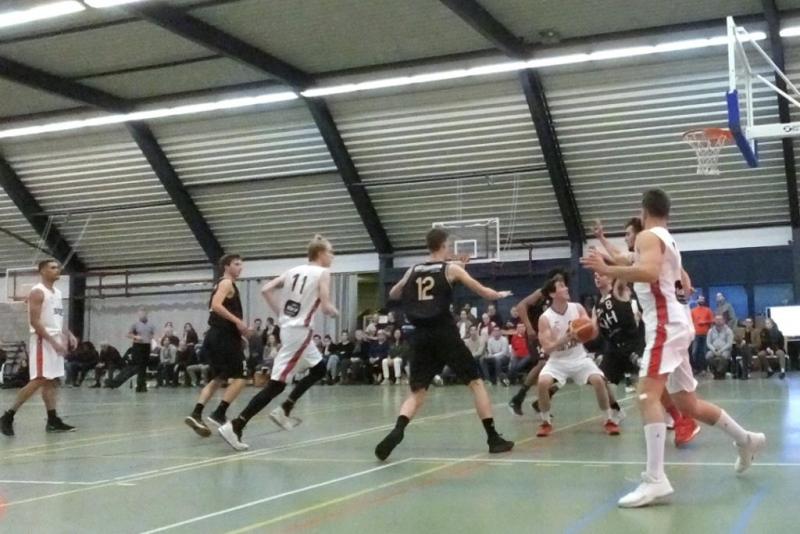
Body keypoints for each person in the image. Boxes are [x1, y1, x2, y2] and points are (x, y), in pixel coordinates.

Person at [582, 189, 765, 508]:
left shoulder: (647, 237)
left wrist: (608, 270)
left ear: (643, 211)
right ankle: (746, 439)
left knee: (646, 395)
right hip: (678, 326)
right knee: (688, 404)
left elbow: (648, 272)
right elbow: (630, 261)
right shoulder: (664, 239)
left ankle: (655, 480)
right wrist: (606, 256)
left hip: (666, 326)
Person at [374, 228, 514, 460]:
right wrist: (499, 295)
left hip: (420, 336)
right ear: (444, 245)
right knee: (476, 383)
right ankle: (493, 438)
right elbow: (483, 291)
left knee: (417, 391)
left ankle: (398, 429)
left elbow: (394, 293)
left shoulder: (412, 270)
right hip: (444, 333)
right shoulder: (450, 269)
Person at [219, 235, 339, 450]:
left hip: (290, 329)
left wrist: (282, 315)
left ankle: (285, 408)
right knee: (276, 385)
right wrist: (335, 312)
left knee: (319, 369)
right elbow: (326, 306)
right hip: (299, 332)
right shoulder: (323, 273)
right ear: (320, 253)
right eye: (331, 252)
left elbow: (266, 289)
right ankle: (236, 425)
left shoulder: (293, 270)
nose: (333, 256)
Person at [534, 276, 620, 438]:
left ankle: (609, 420)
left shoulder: (577, 308)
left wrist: (591, 324)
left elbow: (592, 334)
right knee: (542, 383)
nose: (566, 288)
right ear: (552, 294)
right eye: (561, 286)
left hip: (579, 358)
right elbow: (547, 348)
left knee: (598, 380)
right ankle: (545, 422)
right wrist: (565, 338)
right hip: (557, 361)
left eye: (565, 285)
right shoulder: (545, 318)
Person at [1, 259, 77, 436]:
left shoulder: (57, 293)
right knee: (39, 379)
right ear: (42, 271)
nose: (57, 270)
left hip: (54, 338)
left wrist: (69, 334)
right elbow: (35, 322)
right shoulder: (37, 292)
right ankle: (8, 416)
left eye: (58, 267)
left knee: (51, 380)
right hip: (43, 340)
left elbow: (57, 319)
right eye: (53, 267)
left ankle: (52, 420)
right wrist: (53, 341)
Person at [184, 254, 249, 437]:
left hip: (216, 335)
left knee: (219, 378)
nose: (240, 267)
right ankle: (219, 413)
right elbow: (216, 305)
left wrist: (238, 333)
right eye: (236, 264)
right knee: (242, 376)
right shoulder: (226, 283)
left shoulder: (221, 284)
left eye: (241, 264)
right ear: (227, 266)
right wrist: (238, 322)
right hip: (223, 337)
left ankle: (196, 413)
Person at [507, 269, 568, 416]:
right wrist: (529, 328)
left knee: (565, 369)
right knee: (542, 363)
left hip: (550, 337)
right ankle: (518, 398)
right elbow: (521, 306)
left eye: (562, 281)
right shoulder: (541, 293)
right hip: (535, 334)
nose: (559, 283)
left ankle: (541, 402)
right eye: (556, 280)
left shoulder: (561, 299)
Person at [127, 308, 156, 393]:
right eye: (140, 314)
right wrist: (136, 337)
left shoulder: (151, 325)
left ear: (146, 314)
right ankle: (140, 385)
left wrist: (152, 338)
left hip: (146, 346)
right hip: (138, 346)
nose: (142, 316)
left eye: (143, 314)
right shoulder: (135, 324)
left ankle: (142, 385)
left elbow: (153, 334)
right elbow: (128, 334)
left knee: (144, 366)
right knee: (139, 366)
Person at [690, 295, 714, 374]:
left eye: (702, 299)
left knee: (704, 351)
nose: (701, 301)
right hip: (696, 334)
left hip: (705, 333)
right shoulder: (693, 311)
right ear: (697, 300)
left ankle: (704, 368)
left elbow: (712, 320)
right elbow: (690, 322)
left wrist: (704, 322)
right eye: (700, 299)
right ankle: (695, 368)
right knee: (694, 352)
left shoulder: (708, 310)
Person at [706, 315, 733, 379]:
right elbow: (708, 343)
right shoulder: (710, 331)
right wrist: (714, 350)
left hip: (725, 350)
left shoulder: (728, 330)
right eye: (717, 319)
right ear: (714, 321)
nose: (718, 321)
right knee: (708, 355)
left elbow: (729, 343)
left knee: (724, 356)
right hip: (713, 350)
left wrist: (721, 350)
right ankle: (714, 372)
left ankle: (720, 373)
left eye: (720, 319)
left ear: (723, 321)